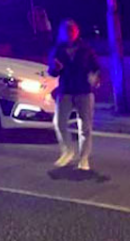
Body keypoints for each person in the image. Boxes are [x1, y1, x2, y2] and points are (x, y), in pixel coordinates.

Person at [48, 19, 101, 171]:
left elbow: (96, 68)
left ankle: (83, 158)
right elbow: (52, 71)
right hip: (65, 90)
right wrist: (55, 68)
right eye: (66, 31)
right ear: (62, 33)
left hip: (84, 90)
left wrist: (95, 78)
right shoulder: (57, 50)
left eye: (72, 30)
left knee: (85, 127)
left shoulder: (86, 49)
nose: (69, 34)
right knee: (59, 122)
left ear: (77, 31)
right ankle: (68, 151)